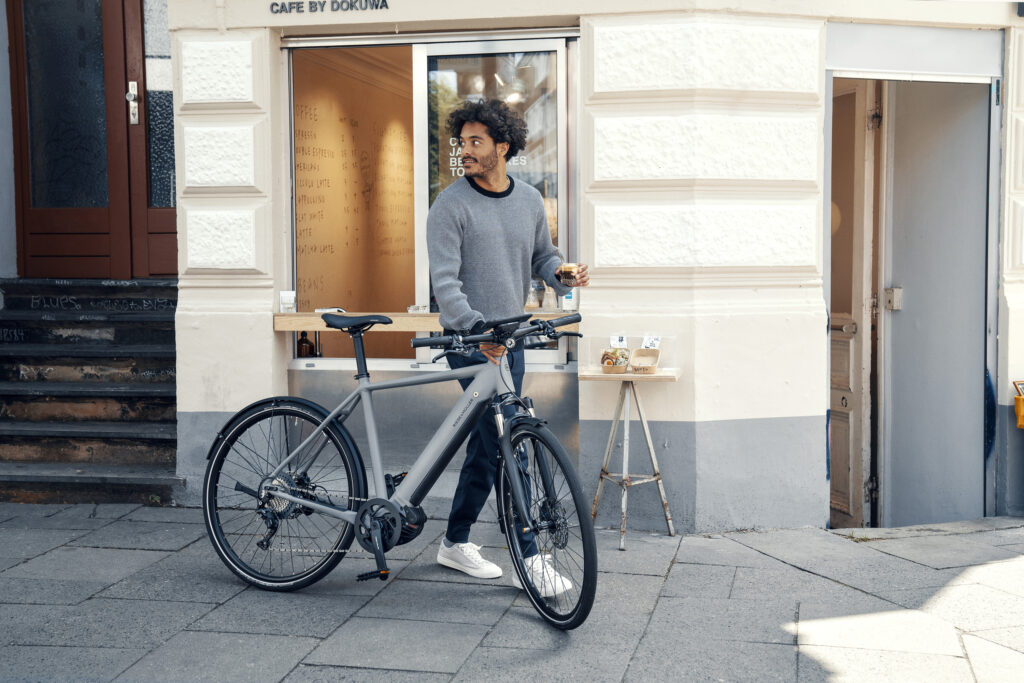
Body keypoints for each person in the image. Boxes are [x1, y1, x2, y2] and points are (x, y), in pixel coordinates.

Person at [427, 99, 589, 594]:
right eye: (462, 142)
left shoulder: (528, 200)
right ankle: (531, 557)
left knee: (490, 442)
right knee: (508, 441)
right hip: (471, 338)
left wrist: (561, 274)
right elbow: (446, 284)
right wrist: (477, 329)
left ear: (503, 147)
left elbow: (544, 257)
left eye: (476, 142)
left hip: (511, 338)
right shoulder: (450, 205)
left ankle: (455, 541)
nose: (466, 151)